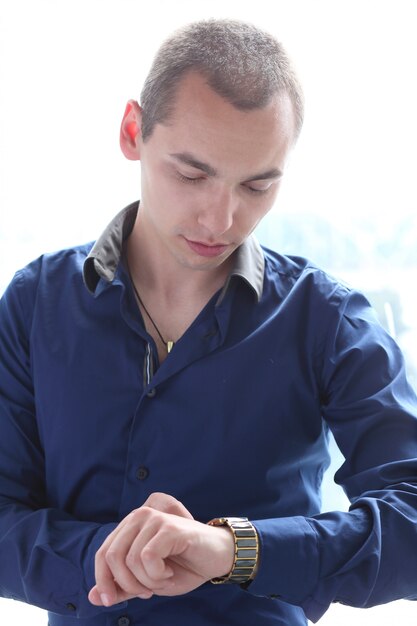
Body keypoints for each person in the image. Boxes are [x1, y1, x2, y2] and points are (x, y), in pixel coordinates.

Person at [1, 18, 417, 626]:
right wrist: (114, 558)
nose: (220, 219)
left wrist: (232, 550)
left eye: (256, 185)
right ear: (132, 132)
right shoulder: (35, 303)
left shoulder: (327, 319)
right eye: (192, 174)